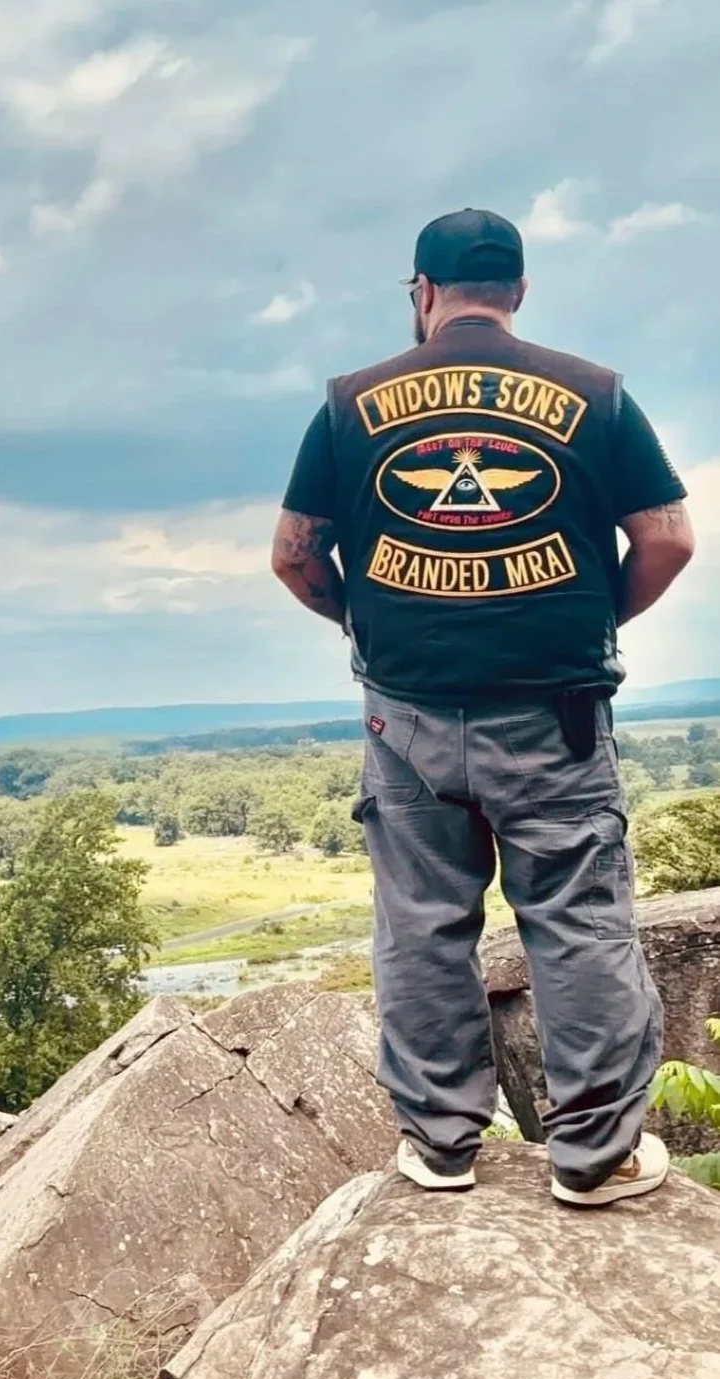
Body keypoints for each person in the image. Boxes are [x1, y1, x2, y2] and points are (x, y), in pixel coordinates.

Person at [271, 208, 695, 1207]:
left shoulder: (347, 403)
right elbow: (667, 537)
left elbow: (294, 553)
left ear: (420, 292)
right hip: (554, 710)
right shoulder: (594, 394)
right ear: (518, 292)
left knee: (422, 923)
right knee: (577, 919)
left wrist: (361, 626)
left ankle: (440, 1148)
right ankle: (594, 1158)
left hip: (405, 713)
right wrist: (593, 619)